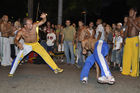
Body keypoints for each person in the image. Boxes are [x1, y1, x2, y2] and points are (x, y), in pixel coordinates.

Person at [122, 8, 140, 77]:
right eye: (129, 11)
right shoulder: (128, 20)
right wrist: (124, 38)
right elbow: (126, 29)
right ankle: (125, 71)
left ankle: (134, 72)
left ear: (135, 12)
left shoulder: (138, 19)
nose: (130, 12)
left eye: (131, 11)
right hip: (128, 39)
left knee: (135, 56)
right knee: (126, 56)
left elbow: (139, 29)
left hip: (135, 39)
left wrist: (133, 23)